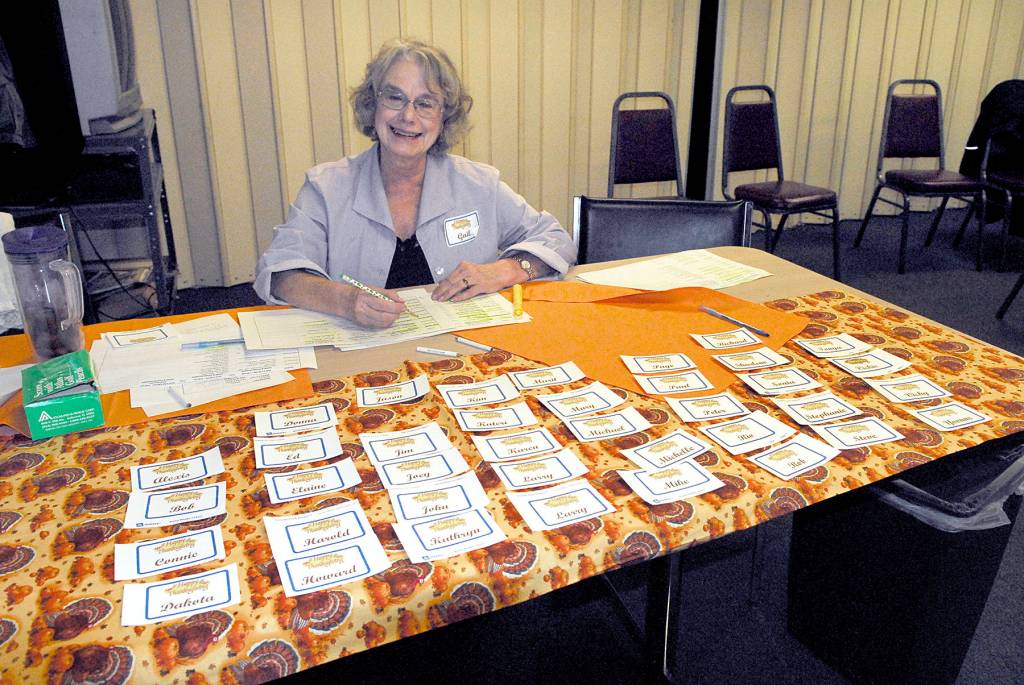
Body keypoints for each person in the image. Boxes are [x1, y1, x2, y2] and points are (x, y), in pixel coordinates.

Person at [253, 38, 576, 329]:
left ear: (444, 116)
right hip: (359, 359)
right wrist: (344, 300)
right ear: (372, 104)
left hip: (466, 356)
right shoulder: (326, 187)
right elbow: (281, 274)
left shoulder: (479, 183)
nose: (408, 116)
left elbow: (556, 240)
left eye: (425, 103)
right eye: (395, 97)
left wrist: (505, 270)